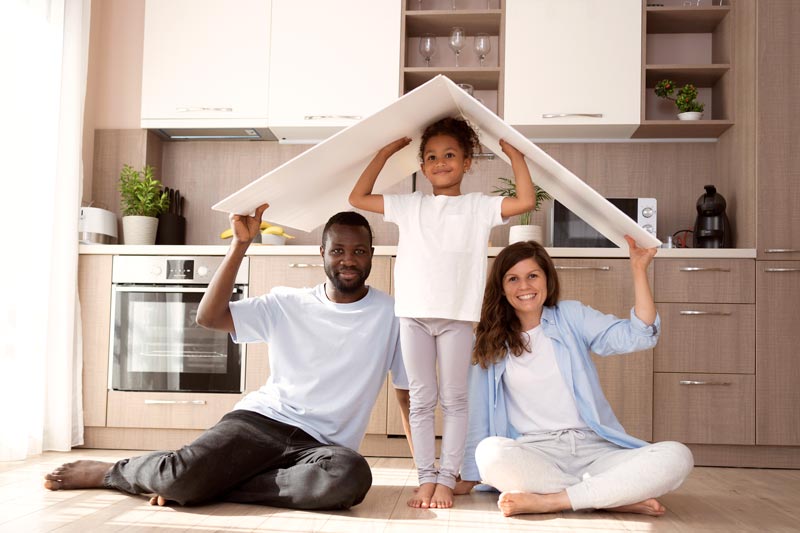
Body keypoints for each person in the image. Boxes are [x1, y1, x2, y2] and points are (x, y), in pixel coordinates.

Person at [44, 207, 411, 511]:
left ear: (371, 255)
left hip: (322, 449)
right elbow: (209, 317)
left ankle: (208, 485)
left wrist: (428, 473)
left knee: (351, 478)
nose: (349, 260)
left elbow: (407, 392)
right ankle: (114, 471)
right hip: (261, 422)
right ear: (322, 253)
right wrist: (240, 244)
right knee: (178, 477)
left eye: (359, 251)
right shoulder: (287, 303)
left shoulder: (392, 314)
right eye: (338, 250)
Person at [349, 117, 537, 509]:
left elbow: (525, 201)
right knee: (420, 400)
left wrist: (516, 156)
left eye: (450, 155)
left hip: (457, 317)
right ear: (422, 166)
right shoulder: (409, 205)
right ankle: (424, 477)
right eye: (431, 156)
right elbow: (358, 197)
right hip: (413, 314)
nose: (440, 162)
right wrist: (384, 154)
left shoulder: (478, 207)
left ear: (467, 162)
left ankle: (447, 479)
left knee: (454, 400)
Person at [454, 238, 694, 517]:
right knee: (489, 453)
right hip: (536, 453)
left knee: (677, 456)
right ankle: (611, 496)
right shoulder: (488, 339)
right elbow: (478, 413)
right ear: (502, 287)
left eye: (533, 275)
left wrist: (639, 269)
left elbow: (638, 336)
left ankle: (554, 500)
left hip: (594, 449)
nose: (524, 287)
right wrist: (471, 475)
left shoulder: (570, 315)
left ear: (547, 278)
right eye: (513, 279)